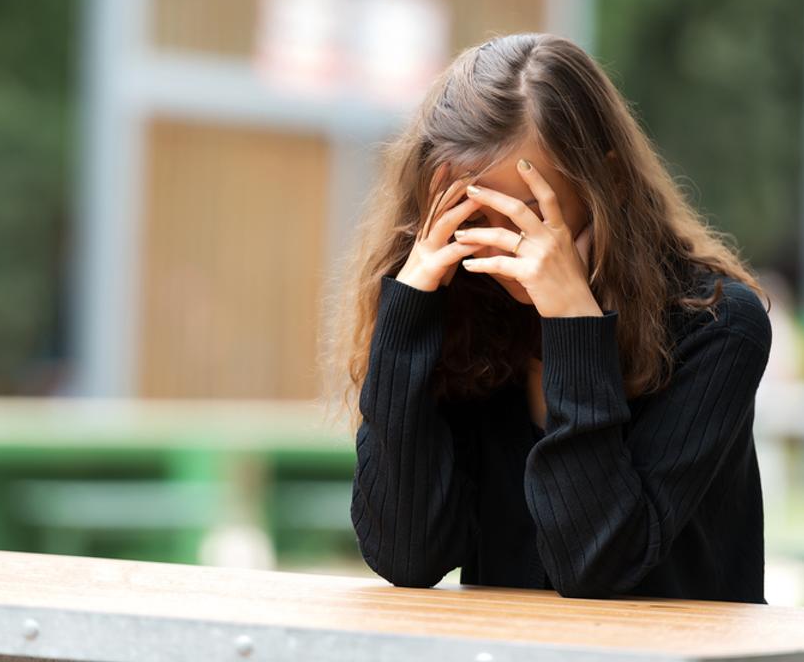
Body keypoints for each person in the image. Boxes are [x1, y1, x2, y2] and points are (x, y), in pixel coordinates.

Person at [322, 32, 773, 603]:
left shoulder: (718, 326)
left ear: (607, 181)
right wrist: (407, 316)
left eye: (531, 214)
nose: (505, 246)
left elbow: (595, 567)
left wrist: (573, 326)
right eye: (475, 217)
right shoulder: (466, 309)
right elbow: (406, 554)